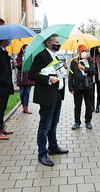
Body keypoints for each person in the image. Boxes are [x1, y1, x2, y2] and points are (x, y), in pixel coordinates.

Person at [28, 34, 69, 166]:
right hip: (46, 96)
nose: (58, 44)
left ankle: (53, 147)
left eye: (58, 42)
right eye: (56, 42)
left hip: (56, 94)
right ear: (48, 43)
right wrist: (48, 79)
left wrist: (63, 67)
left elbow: (55, 72)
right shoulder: (41, 56)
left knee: (54, 122)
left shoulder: (54, 56)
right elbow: (32, 74)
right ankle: (42, 153)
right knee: (45, 125)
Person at [69, 45, 95, 130]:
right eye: (81, 50)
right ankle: (77, 122)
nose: (83, 52)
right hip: (77, 87)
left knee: (89, 105)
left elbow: (93, 71)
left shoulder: (90, 60)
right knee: (77, 106)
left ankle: (88, 121)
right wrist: (71, 88)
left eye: (85, 50)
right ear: (78, 51)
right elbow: (71, 76)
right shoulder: (74, 62)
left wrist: (84, 68)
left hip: (88, 87)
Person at [0, 40, 15, 140]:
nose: (9, 40)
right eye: (7, 39)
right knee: (0, 108)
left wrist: (12, 63)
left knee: (3, 108)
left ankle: (1, 127)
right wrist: (3, 80)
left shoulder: (5, 52)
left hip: (6, 85)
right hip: (1, 85)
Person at [16, 44, 35, 114]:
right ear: (22, 49)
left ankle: (26, 107)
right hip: (21, 78)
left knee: (27, 92)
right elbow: (17, 66)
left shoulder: (31, 57)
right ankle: (23, 105)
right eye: (25, 49)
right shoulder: (19, 57)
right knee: (22, 93)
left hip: (28, 78)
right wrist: (23, 61)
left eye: (27, 48)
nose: (26, 50)